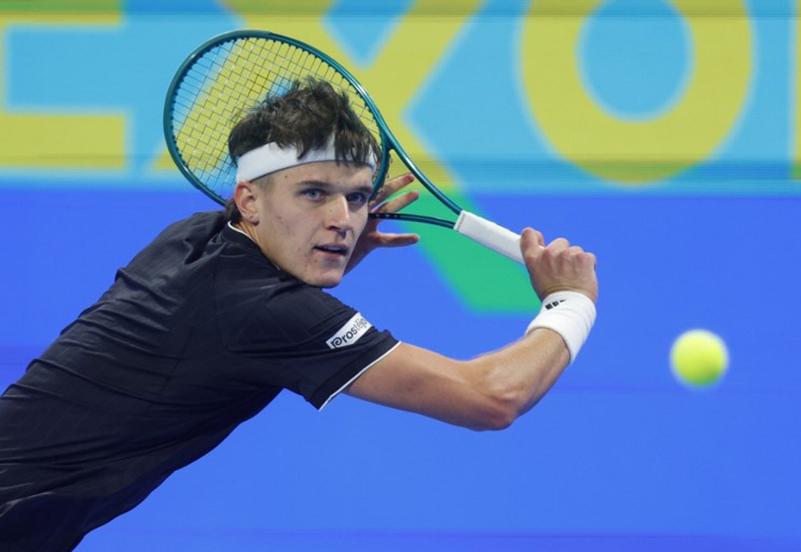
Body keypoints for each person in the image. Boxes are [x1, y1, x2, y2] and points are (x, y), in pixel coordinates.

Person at [0, 79, 598, 551]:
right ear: (250, 199)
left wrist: (319, 250)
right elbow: (491, 398)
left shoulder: (188, 241)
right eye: (314, 193)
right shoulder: (262, 311)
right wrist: (570, 303)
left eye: (359, 197)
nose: (343, 218)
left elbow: (218, 331)